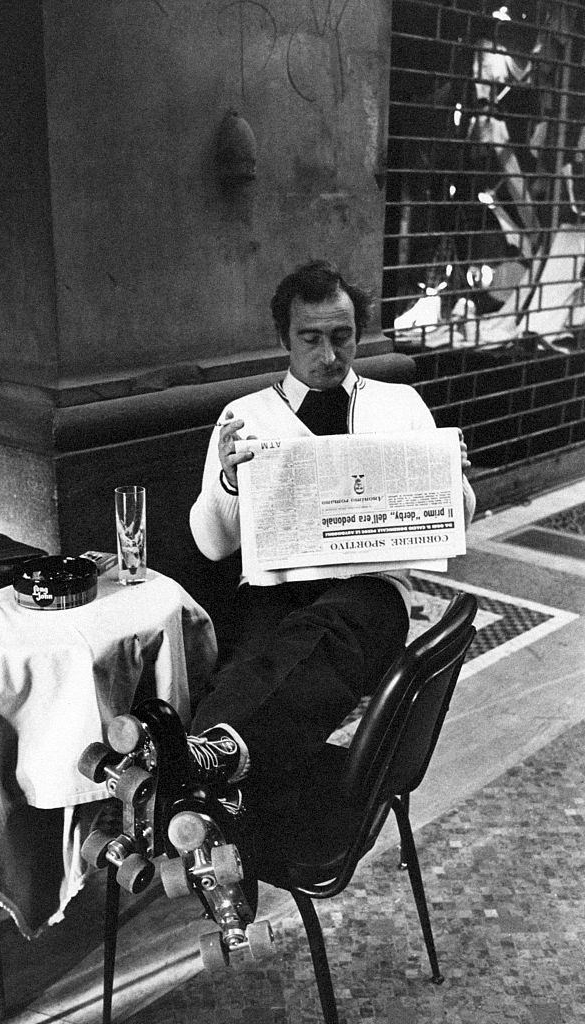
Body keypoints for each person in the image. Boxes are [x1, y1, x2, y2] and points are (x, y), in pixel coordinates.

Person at [177, 259, 476, 829]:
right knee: (262, 665)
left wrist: (453, 480)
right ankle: (218, 802)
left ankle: (195, 771)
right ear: (284, 339)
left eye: (342, 337)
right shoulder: (244, 416)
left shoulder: (401, 405)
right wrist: (227, 482)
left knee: (321, 640)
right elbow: (213, 546)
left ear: (359, 333)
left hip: (371, 593)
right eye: (310, 339)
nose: (329, 355)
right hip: (275, 591)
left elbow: (456, 525)